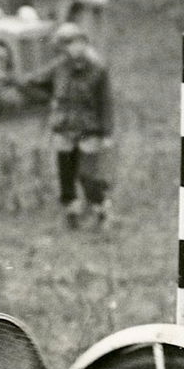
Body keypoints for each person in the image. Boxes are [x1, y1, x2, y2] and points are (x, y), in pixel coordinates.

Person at [47, 23, 115, 230]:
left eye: (79, 42)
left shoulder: (98, 69)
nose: (76, 48)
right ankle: (72, 213)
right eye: (69, 44)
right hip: (64, 128)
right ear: (63, 48)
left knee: (88, 175)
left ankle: (101, 208)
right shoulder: (58, 68)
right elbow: (37, 83)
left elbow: (106, 102)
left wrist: (106, 131)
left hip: (89, 129)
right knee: (65, 175)